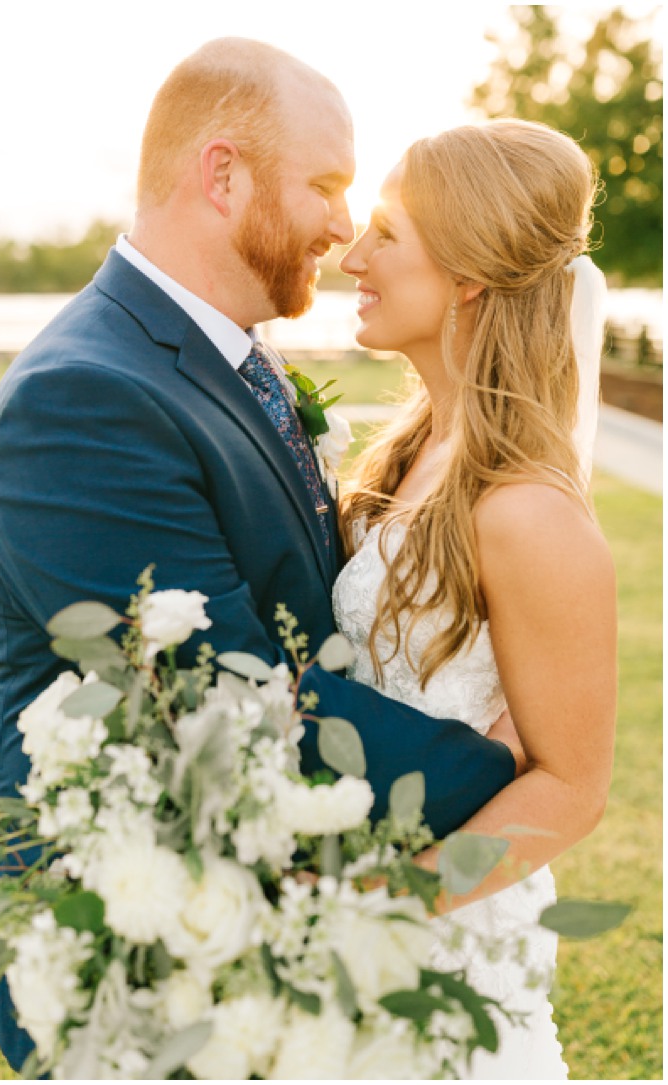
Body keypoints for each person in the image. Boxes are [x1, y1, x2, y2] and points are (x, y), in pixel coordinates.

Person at [0, 38, 521, 1071]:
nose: (345, 227)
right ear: (222, 175)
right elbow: (232, 704)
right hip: (130, 958)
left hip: (255, 925)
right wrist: (510, 768)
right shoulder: (83, 397)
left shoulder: (237, 358)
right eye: (325, 185)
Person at [332, 119, 615, 1078]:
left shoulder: (527, 508)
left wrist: (377, 907)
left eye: (385, 233)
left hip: (436, 939)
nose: (351, 255)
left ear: (467, 277)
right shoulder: (406, 454)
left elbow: (571, 788)